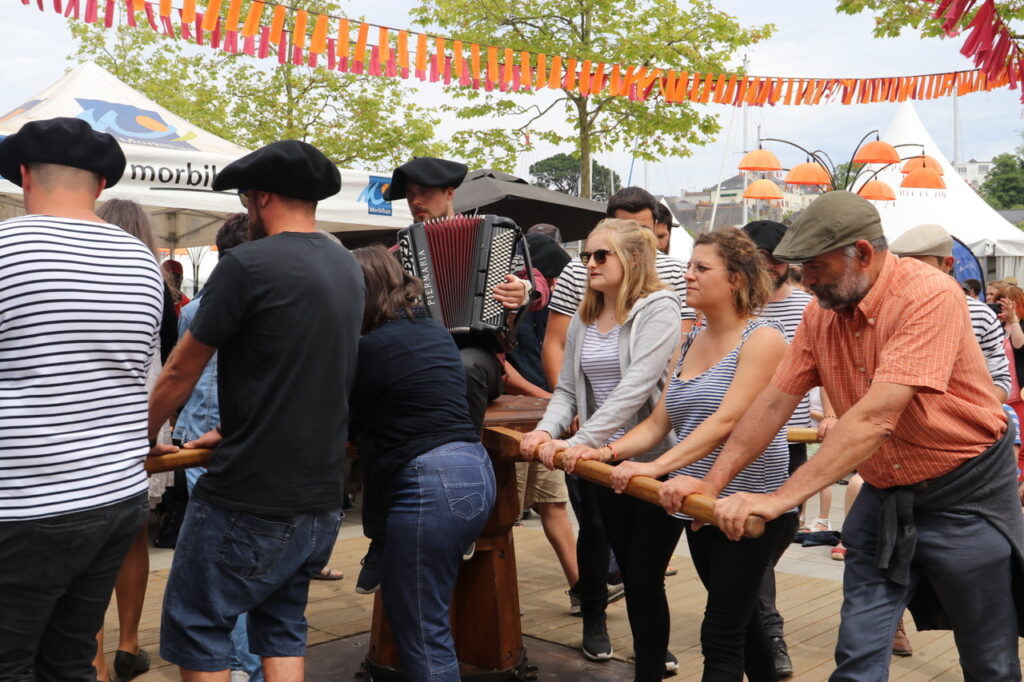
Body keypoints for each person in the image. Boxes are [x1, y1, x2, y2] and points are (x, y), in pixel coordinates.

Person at [679, 191, 1024, 682]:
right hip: (885, 495)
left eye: (816, 266)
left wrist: (777, 500)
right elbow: (773, 403)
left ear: (862, 253)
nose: (807, 280)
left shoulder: (928, 294)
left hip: (964, 494)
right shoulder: (820, 314)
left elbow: (876, 417)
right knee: (857, 658)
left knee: (989, 659)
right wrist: (712, 485)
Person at [148, 140, 364, 679]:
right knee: (282, 624)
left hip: (250, 494)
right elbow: (301, 374)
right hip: (317, 495)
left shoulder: (247, 264)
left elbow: (179, 370)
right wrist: (230, 429)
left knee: (198, 625)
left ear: (262, 196)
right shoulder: (345, 264)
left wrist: (140, 436)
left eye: (246, 200)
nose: (246, 212)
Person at [578, 227, 791, 681]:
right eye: (689, 266)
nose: (687, 276)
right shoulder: (690, 339)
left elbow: (726, 422)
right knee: (743, 622)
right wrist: (609, 451)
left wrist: (654, 466)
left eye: (701, 268)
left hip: (750, 504)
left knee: (719, 636)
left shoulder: (763, 339)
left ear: (735, 279)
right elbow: (659, 422)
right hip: (698, 503)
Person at [0, 117, 165, 678]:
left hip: (23, 502)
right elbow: (138, 376)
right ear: (100, 185)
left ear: (23, 175)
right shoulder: (143, 263)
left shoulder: (8, 247)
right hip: (114, 495)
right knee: (69, 658)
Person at [537, 187, 693, 672]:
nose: (588, 263)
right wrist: (547, 432)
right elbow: (566, 391)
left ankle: (649, 665)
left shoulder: (659, 308)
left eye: (600, 255)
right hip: (602, 462)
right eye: (585, 255)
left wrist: (575, 442)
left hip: (652, 460)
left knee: (645, 576)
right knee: (623, 562)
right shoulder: (588, 313)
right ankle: (628, 643)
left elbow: (634, 389)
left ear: (632, 257)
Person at [349, 245, 497, 681]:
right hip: (473, 468)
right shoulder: (432, 330)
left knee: (421, 628)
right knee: (419, 616)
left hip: (430, 482)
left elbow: (346, 417)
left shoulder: (372, 347)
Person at [169, 213, 263, 682]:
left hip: (202, 438)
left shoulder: (195, 308)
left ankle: (237, 664)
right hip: (235, 438)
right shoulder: (264, 299)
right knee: (240, 563)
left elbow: (178, 377)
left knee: (218, 566)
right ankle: (246, 664)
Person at [90, 198, 180, 682]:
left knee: (91, 540)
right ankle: (128, 644)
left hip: (92, 425)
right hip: (147, 422)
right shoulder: (156, 287)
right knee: (133, 535)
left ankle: (95, 659)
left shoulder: (87, 279)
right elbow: (169, 361)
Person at [384, 156, 531, 432]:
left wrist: (524, 291)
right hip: (423, 356)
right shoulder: (396, 256)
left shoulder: (493, 235)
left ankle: (463, 458)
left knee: (465, 367)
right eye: (410, 195)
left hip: (480, 358)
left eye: (425, 192)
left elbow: (539, 287)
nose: (416, 202)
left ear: (449, 193)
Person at [742, 220, 814, 679]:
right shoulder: (740, 310)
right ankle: (769, 630)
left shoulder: (810, 307)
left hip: (795, 439)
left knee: (782, 530)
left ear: (775, 263)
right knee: (757, 535)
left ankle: (744, 597)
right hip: (747, 440)